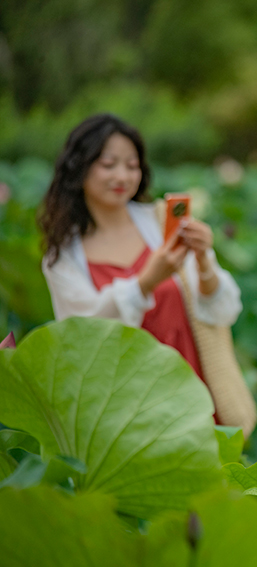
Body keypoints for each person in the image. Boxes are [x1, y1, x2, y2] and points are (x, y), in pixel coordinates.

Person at [38, 114, 242, 414]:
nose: (122, 176)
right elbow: (83, 336)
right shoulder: (63, 255)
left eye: (132, 166)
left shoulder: (163, 222)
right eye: (108, 165)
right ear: (79, 168)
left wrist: (203, 260)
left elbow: (222, 308)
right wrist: (146, 281)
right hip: (124, 402)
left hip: (194, 386)